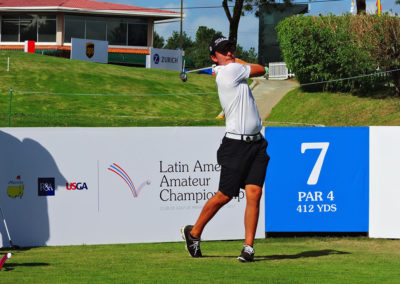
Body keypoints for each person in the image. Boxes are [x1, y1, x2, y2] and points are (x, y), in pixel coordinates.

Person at [181, 35, 269, 262]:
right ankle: (193, 233)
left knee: (254, 193)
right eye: (224, 51)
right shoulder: (231, 71)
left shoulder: (228, 69)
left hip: (256, 143)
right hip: (235, 145)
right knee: (224, 195)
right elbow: (261, 69)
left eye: (231, 49)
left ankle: (248, 247)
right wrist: (234, 62)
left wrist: (227, 63)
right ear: (214, 57)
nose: (229, 53)